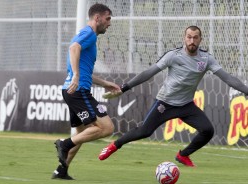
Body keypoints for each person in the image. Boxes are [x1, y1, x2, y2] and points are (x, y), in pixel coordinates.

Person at [98, 25, 248, 167]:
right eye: (189, 37)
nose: (192, 41)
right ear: (184, 38)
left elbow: (228, 78)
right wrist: (124, 88)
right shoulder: (173, 56)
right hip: (165, 103)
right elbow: (148, 73)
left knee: (208, 130)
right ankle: (114, 146)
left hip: (186, 105)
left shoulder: (206, 59)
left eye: (195, 38)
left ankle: (183, 155)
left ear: (200, 40)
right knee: (145, 131)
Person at [51, 3, 120, 180]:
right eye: (108, 18)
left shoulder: (87, 35)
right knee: (106, 128)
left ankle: (61, 170)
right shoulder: (89, 33)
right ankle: (64, 144)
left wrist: (103, 82)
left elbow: (83, 70)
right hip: (78, 91)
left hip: (71, 90)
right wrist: (75, 76)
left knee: (81, 134)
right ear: (97, 18)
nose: (109, 23)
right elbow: (73, 48)